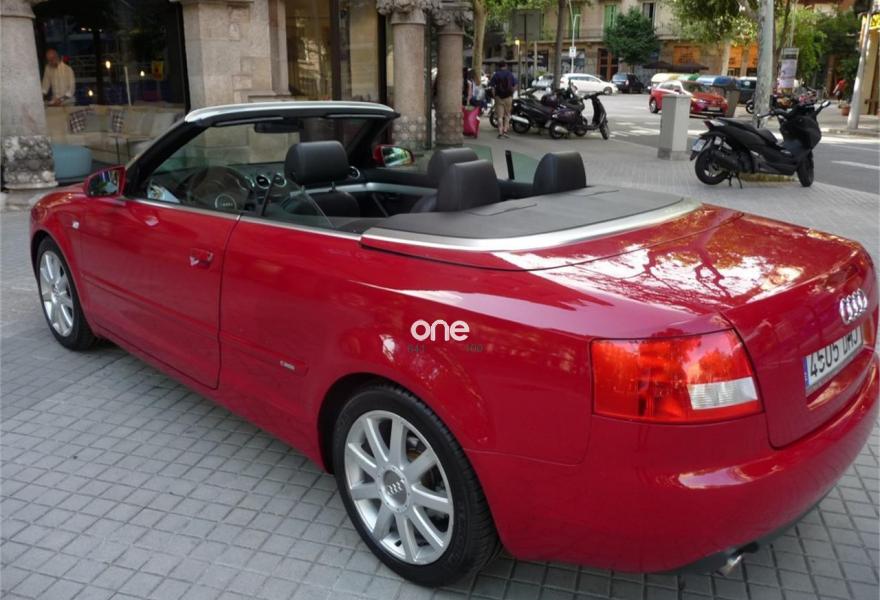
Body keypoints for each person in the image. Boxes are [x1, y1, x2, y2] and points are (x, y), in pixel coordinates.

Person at [489, 61, 517, 138]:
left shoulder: (496, 75)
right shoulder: (510, 74)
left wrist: (494, 96)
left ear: (499, 66)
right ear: (506, 66)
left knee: (500, 116)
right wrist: (511, 93)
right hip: (508, 97)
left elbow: (492, 87)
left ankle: (500, 132)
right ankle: (505, 131)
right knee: (507, 115)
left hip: (499, 97)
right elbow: (515, 85)